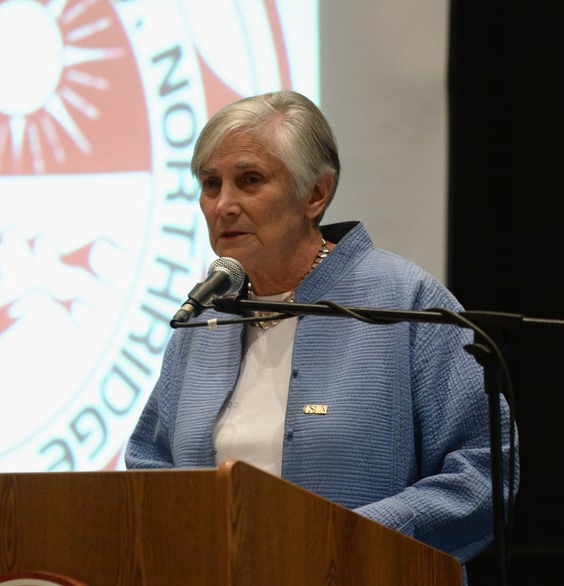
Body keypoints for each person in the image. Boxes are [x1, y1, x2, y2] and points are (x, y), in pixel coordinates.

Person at [125, 89, 519, 582]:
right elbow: (149, 466)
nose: (223, 204)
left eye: (250, 180)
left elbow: (482, 474)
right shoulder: (205, 316)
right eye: (210, 183)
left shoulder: (407, 300)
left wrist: (341, 538)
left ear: (315, 194)